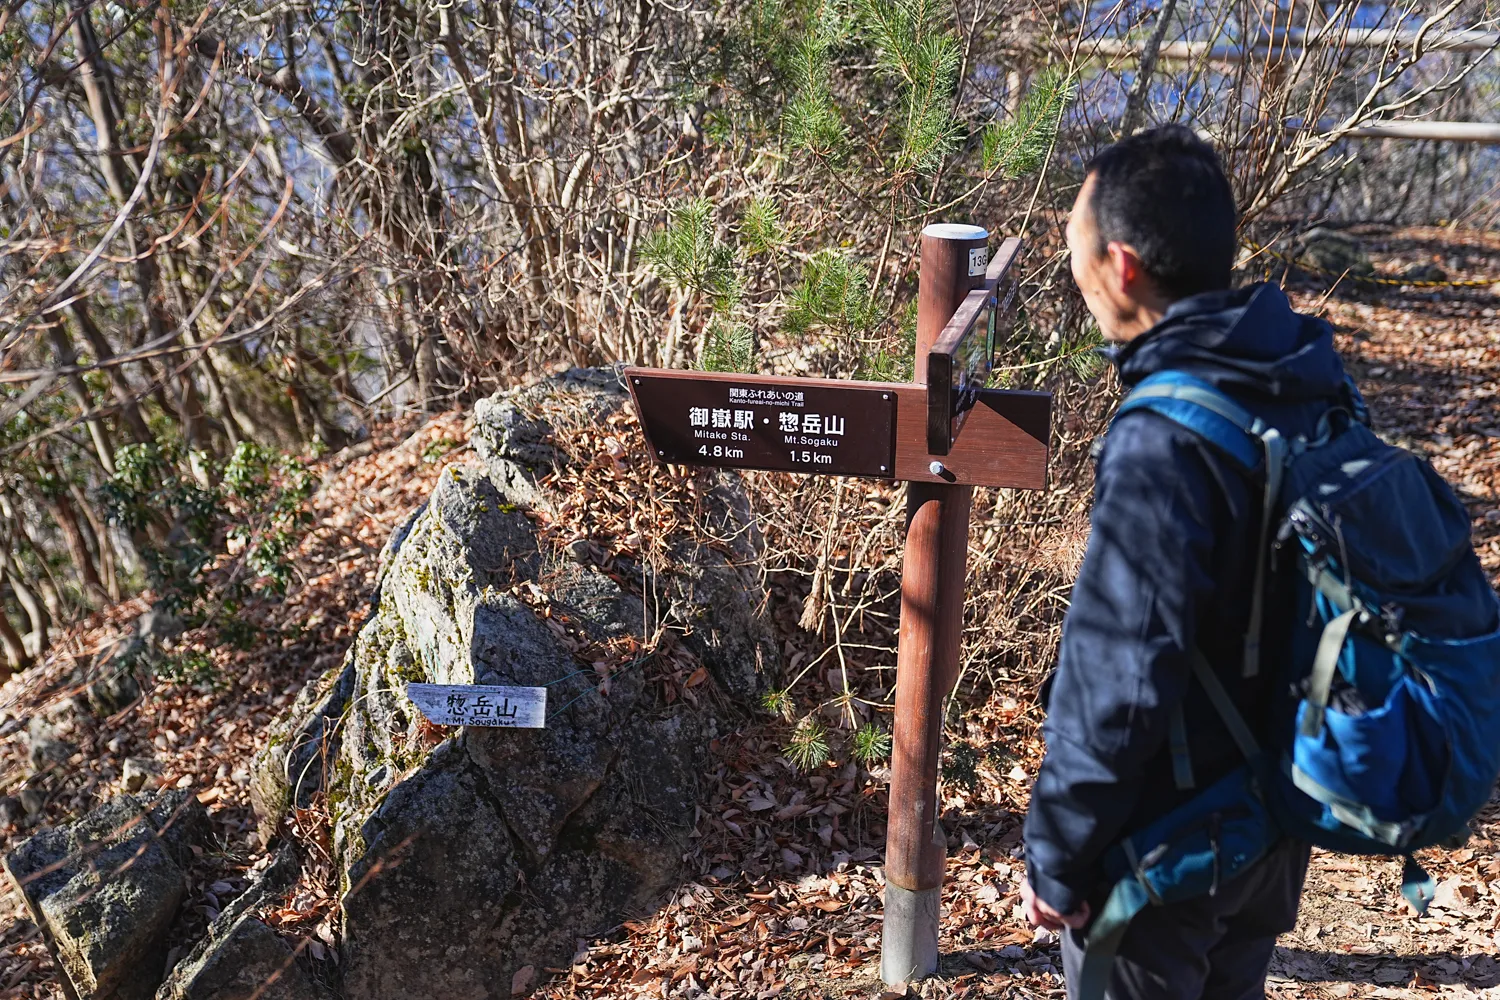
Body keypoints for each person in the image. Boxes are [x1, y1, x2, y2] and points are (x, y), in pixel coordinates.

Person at [1020, 125, 1352, 998]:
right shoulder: (1297, 376)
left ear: (1121, 266)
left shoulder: (1162, 436)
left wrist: (1057, 857)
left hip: (1165, 847)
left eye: (1078, 246)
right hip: (1273, 821)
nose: (1075, 267)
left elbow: (1118, 677)